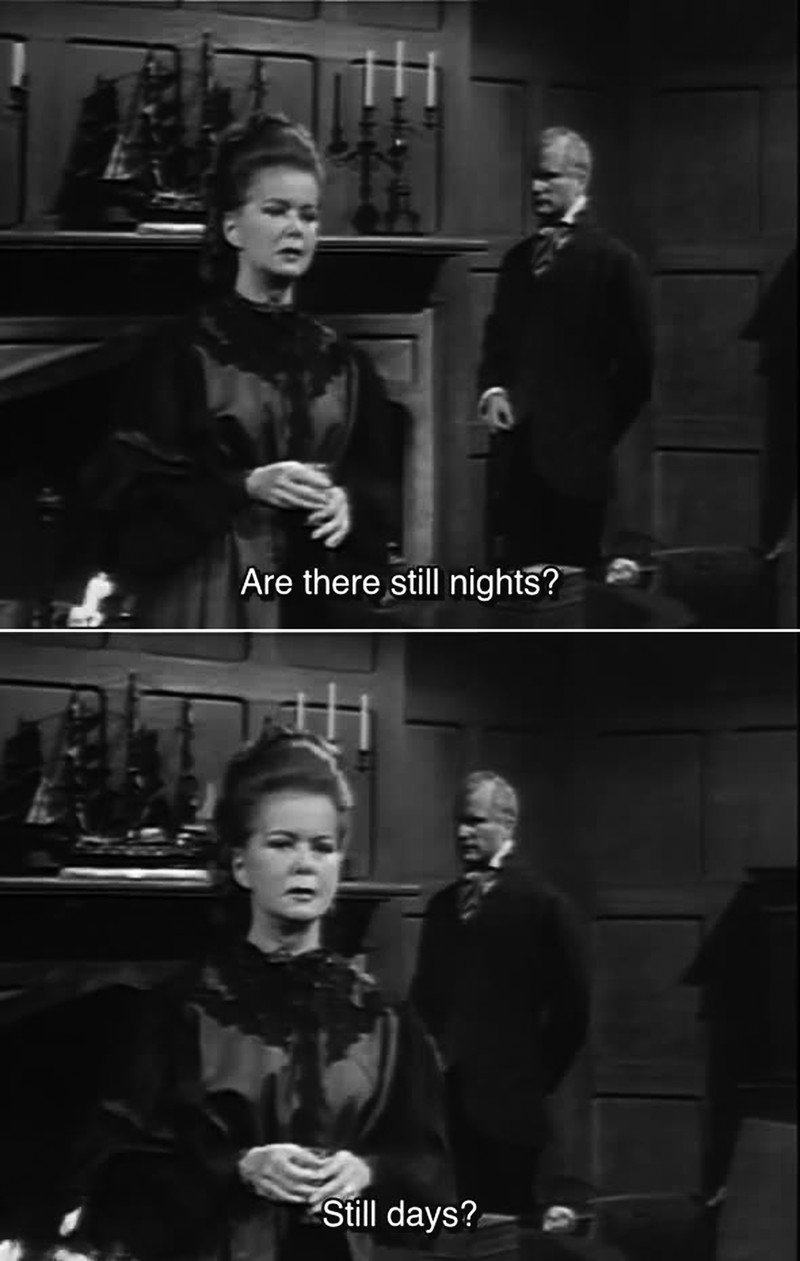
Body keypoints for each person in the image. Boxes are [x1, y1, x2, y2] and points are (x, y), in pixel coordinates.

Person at [10, 728, 453, 1261]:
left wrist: (368, 1178)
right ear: (241, 864)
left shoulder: (386, 1023)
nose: (305, 864)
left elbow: (438, 1215)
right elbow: (114, 1188)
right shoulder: (179, 1012)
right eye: (282, 844)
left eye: (323, 847)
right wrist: (237, 1169)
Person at [84, 113, 401, 629]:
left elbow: (376, 479)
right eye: (275, 211)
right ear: (233, 227)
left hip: (314, 588)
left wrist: (349, 501)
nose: (296, 229)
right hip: (212, 593)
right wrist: (245, 485)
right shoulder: (181, 353)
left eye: (309, 216)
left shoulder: (343, 361)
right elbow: (133, 492)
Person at [410, 771, 590, 1219]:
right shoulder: (441, 908)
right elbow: (423, 1000)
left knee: (511, 1228)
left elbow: (573, 1011)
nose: (462, 833)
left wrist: (531, 1079)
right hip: (446, 1107)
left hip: (511, 1111)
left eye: (475, 821)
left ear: (507, 825)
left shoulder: (544, 906)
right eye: (458, 821)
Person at [478, 126, 654, 570]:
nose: (536, 187)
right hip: (516, 463)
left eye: (549, 176)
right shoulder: (516, 261)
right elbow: (498, 339)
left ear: (580, 179)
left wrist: (592, 432)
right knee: (516, 587)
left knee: (575, 592)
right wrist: (494, 391)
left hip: (578, 470)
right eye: (534, 177)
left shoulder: (614, 262)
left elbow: (637, 368)